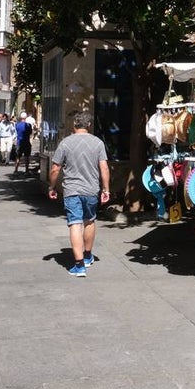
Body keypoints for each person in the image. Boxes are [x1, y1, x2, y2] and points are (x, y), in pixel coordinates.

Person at [48, 111, 110, 277]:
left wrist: (52, 187)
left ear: (74, 125)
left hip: (72, 190)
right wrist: (106, 189)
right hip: (91, 189)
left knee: (75, 223)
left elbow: (55, 168)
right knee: (89, 221)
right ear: (89, 125)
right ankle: (88, 256)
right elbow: (104, 167)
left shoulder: (65, 143)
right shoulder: (97, 143)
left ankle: (79, 264)